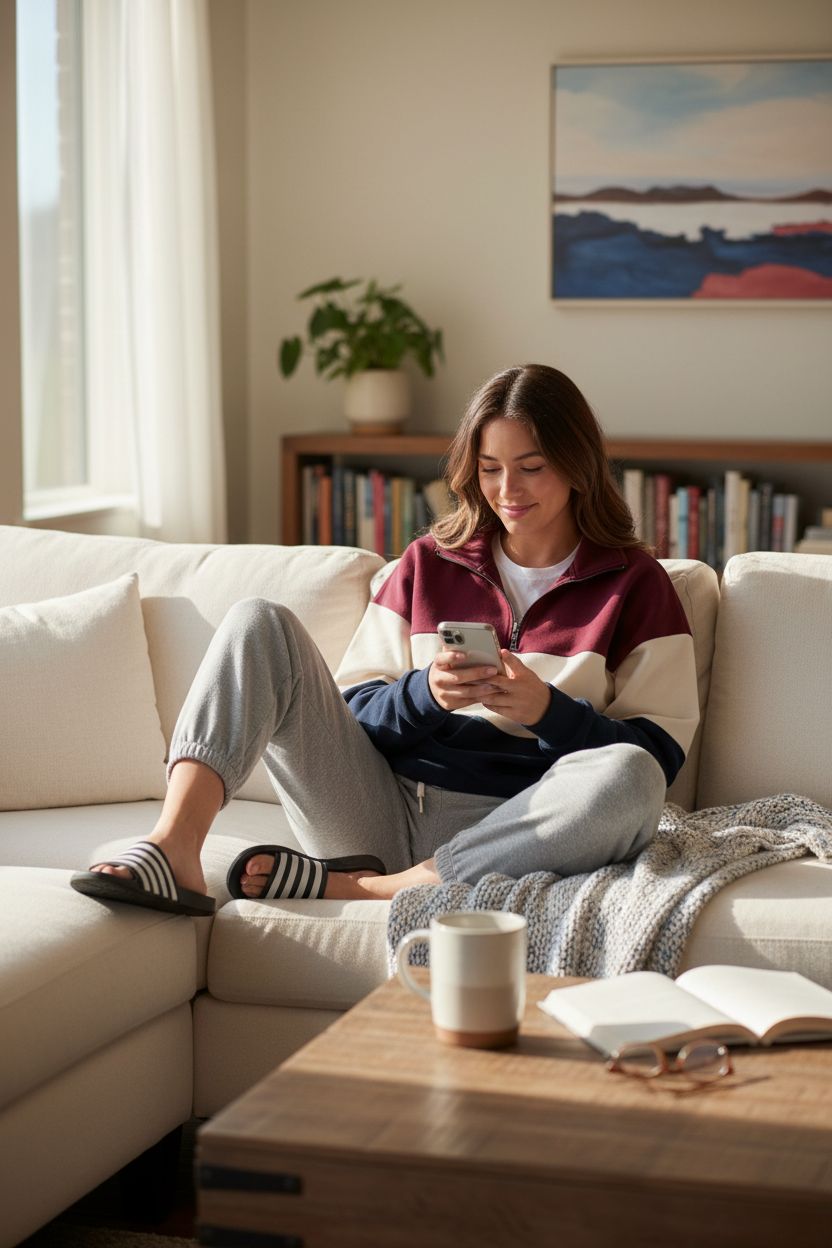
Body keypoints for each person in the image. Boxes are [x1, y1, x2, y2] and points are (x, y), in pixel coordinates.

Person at [71, 364, 699, 916]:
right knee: (258, 621)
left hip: (524, 828)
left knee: (632, 777)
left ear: (577, 465)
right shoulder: (428, 564)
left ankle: (385, 890)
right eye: (490, 469)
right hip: (377, 813)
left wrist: (548, 712)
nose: (509, 491)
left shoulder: (636, 585)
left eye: (532, 468)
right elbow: (351, 714)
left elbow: (658, 756)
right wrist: (425, 693)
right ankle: (173, 847)